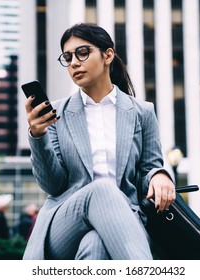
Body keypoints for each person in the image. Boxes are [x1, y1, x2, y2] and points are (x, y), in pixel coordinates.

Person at [23, 23, 176, 260]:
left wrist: (159, 175)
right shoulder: (57, 114)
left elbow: (149, 169)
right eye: (67, 57)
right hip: (65, 225)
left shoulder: (142, 112)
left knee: (95, 245)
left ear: (108, 55)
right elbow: (53, 185)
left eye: (82, 53)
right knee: (103, 188)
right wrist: (38, 137)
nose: (74, 62)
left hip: (127, 222)